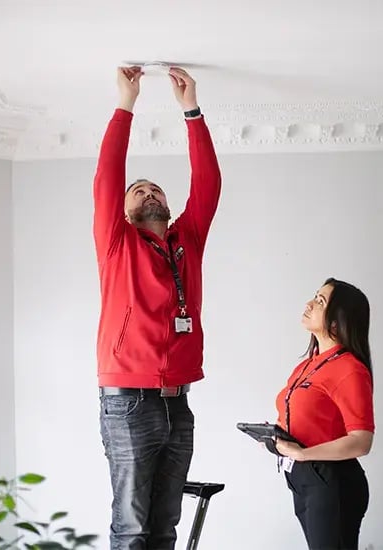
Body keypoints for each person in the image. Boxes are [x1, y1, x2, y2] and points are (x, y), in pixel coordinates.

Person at [92, 65, 222, 550]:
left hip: (179, 401)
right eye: (138, 190)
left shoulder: (187, 238)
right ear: (125, 211)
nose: (148, 191)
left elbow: (208, 184)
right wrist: (126, 104)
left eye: (155, 189)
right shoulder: (116, 243)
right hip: (127, 399)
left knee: (165, 524)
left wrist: (192, 111)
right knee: (131, 525)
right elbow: (107, 176)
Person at [272, 278, 375, 550]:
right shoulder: (308, 365)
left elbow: (362, 441)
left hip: (332, 481)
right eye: (314, 297)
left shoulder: (349, 369)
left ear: (336, 321)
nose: (309, 304)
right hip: (303, 479)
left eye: (320, 301)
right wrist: (276, 439)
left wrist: (302, 453)